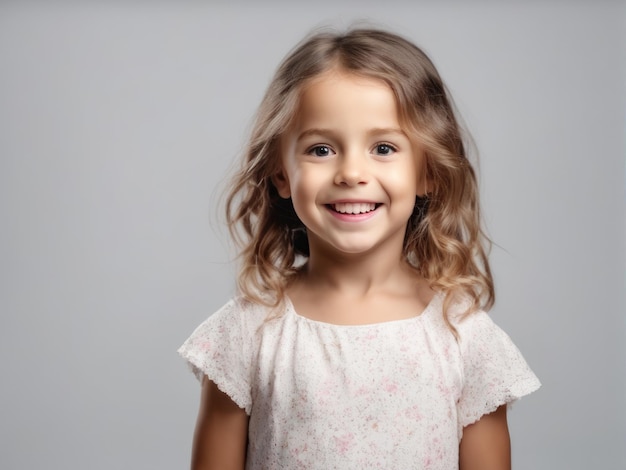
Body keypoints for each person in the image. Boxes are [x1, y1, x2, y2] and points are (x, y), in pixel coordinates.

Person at [178, 28, 540, 470]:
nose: (351, 172)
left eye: (383, 148)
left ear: (429, 171)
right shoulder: (246, 333)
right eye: (322, 149)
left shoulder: (466, 338)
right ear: (281, 174)